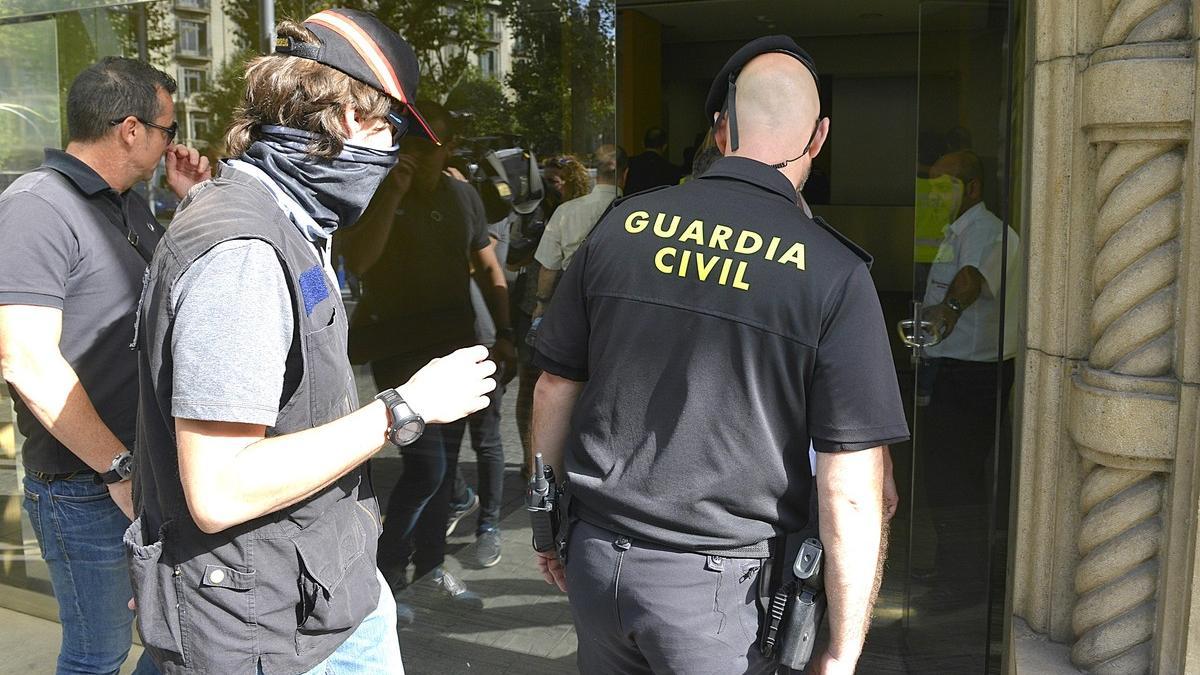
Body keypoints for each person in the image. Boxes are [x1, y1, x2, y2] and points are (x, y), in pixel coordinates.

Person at [530, 36, 909, 674]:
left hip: (599, 561)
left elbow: (551, 389)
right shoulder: (834, 272)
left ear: (720, 129)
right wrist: (841, 651)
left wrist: (548, 528)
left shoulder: (621, 226)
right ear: (818, 139)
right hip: (719, 598)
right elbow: (852, 488)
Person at [130, 11, 495, 673]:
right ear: (351, 120)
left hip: (316, 599)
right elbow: (220, 489)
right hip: (271, 633)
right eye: (390, 129)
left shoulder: (275, 219)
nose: (389, 153)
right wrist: (404, 408)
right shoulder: (243, 248)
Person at [0, 57, 208, 675]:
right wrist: (118, 468)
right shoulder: (37, 207)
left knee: (171, 637)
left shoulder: (125, 204)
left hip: (136, 477)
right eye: (169, 128)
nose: (177, 143)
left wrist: (192, 202)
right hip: (86, 488)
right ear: (131, 130)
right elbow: (24, 356)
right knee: (99, 653)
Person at [342, 99, 516, 608]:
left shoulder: (462, 196)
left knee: (442, 470)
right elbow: (358, 260)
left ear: (446, 148)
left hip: (453, 348)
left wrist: (505, 333)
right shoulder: (378, 191)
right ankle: (390, 572)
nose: (417, 153)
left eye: (428, 144)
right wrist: (393, 191)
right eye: (409, 141)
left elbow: (488, 267)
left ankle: (432, 567)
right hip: (398, 350)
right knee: (428, 470)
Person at [918, 149, 1019, 607]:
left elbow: (969, 281)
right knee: (944, 474)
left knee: (956, 478)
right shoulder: (956, 230)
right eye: (931, 184)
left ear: (973, 188)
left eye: (945, 184)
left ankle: (963, 583)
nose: (934, 194)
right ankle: (951, 567)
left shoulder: (987, 231)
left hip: (975, 374)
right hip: (954, 369)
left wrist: (946, 315)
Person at [511, 155, 590, 477]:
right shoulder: (537, 209)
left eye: (555, 180)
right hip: (535, 305)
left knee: (555, 386)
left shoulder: (573, 211)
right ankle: (533, 461)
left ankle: (545, 462)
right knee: (531, 386)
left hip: (555, 307)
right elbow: (517, 255)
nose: (549, 186)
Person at [531, 144, 628, 322]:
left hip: (575, 302)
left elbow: (548, 269)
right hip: (619, 305)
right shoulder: (637, 214)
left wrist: (542, 304)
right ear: (625, 174)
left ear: (596, 173)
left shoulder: (565, 211)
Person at [624, 126, 684, 194]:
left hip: (631, 203)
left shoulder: (628, 164)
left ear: (643, 144)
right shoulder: (673, 170)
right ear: (664, 146)